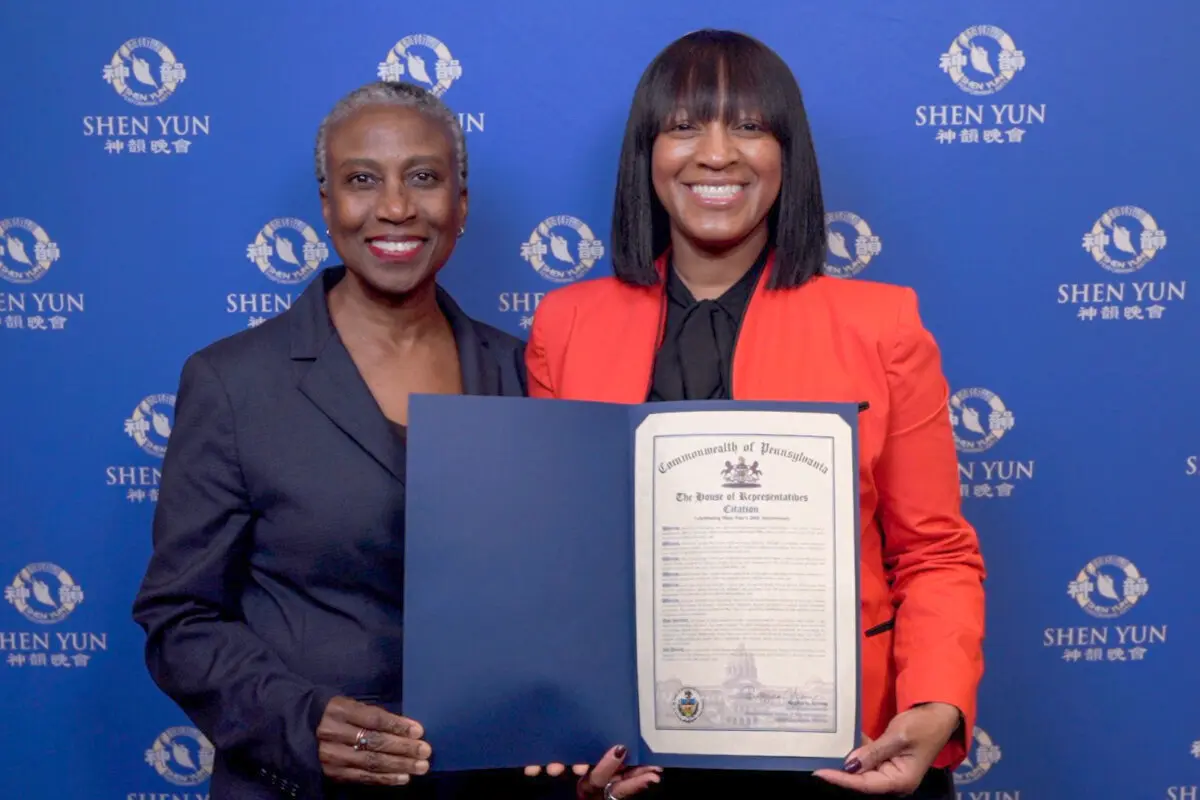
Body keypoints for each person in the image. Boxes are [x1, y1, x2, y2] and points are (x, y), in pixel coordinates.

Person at [525, 30, 987, 799]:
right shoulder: (565, 327)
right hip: (635, 756)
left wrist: (935, 702)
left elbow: (935, 554)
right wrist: (560, 737)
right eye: (683, 126)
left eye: (747, 126)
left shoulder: (882, 325)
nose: (716, 154)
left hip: (848, 756)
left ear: (788, 154)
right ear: (646, 154)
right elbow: (552, 564)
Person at [131, 80, 615, 800]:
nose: (395, 206)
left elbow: (565, 599)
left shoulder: (524, 370)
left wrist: (579, 749)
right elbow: (181, 619)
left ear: (462, 205)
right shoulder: (233, 382)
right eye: (363, 180)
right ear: (327, 205)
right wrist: (304, 723)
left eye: (424, 178)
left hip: (487, 787)